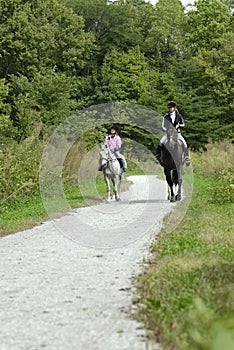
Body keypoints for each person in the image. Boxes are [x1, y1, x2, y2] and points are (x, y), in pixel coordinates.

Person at [155, 101, 191, 166]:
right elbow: (162, 126)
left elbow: (183, 124)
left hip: (177, 133)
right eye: (169, 108)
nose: (170, 109)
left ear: (174, 108)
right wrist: (167, 130)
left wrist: (179, 125)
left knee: (184, 143)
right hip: (168, 134)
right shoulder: (166, 116)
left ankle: (186, 158)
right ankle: (158, 156)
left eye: (171, 108)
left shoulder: (179, 116)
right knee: (160, 142)